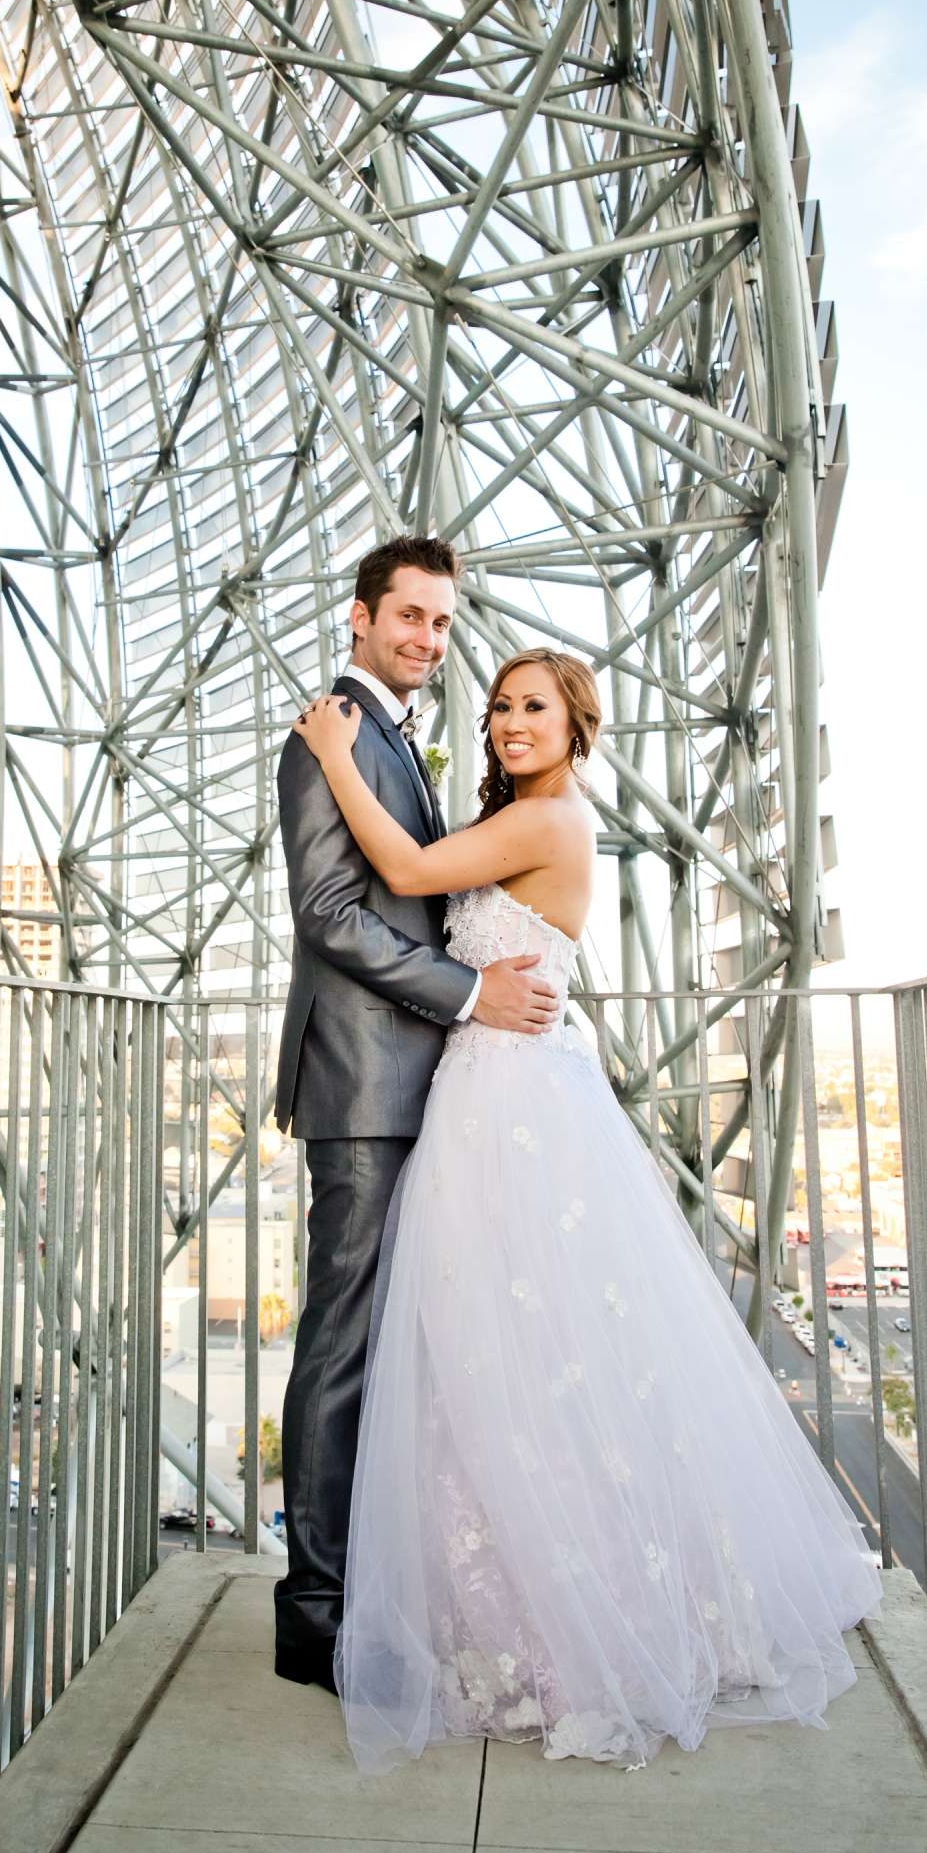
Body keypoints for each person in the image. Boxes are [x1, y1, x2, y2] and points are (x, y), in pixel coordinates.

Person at [291, 645, 884, 1773]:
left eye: (536, 709)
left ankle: (571, 1616)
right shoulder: (532, 815)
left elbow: (409, 871)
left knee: (524, 1350)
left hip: (512, 1106)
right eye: (504, 706)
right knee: (503, 1352)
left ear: (574, 729)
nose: (513, 724)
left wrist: (334, 753)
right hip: (491, 1094)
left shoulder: (550, 820)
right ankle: (513, 1598)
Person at [271, 536, 565, 1694]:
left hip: (416, 1082)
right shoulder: (325, 737)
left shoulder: (385, 737)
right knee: (340, 1345)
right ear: (359, 616)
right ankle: (317, 1613)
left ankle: (375, 1584)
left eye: (442, 624)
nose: (426, 640)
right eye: (408, 617)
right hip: (362, 1086)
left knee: (391, 1340)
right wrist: (471, 993)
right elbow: (332, 914)